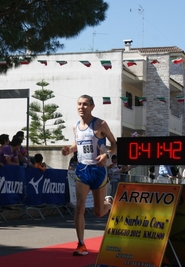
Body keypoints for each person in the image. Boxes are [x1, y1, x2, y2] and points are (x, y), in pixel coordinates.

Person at [62, 94, 116, 256]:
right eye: (79, 104)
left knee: (99, 212)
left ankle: (109, 204)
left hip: (98, 170)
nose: (81, 107)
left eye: (85, 104)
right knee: (80, 207)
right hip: (82, 170)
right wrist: (69, 149)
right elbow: (77, 144)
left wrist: (107, 155)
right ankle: (81, 244)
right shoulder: (75, 126)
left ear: (92, 107)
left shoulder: (100, 124)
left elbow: (114, 144)